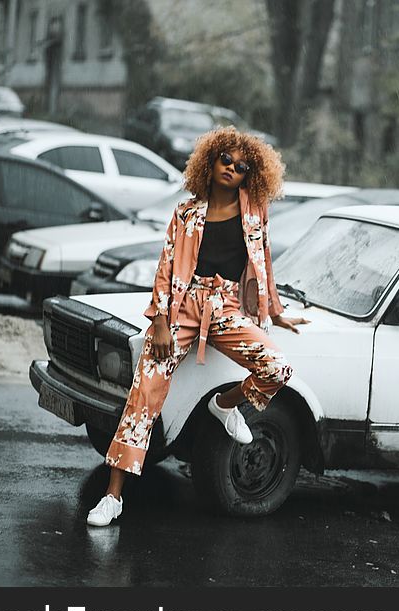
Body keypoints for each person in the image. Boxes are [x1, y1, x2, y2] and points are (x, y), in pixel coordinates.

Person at [86, 126, 308, 526]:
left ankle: (224, 407)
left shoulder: (255, 211)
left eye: (242, 166)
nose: (232, 169)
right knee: (143, 397)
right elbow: (166, 266)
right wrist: (158, 320)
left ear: (250, 174)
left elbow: (264, 264)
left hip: (226, 308)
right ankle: (113, 496)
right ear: (210, 160)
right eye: (226, 159)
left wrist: (274, 313)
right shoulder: (186, 212)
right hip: (183, 309)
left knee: (277, 367)